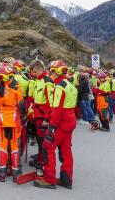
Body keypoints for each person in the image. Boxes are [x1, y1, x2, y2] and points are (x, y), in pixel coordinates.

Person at [34, 60, 77, 190]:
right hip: (70, 121)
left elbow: (57, 108)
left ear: (56, 72)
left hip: (60, 123)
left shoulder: (59, 86)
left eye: (52, 71)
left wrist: (51, 126)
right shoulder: (70, 85)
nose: (50, 74)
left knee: (48, 147)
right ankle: (66, 179)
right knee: (66, 151)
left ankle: (49, 179)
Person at [0, 63, 25, 183]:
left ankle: (2, 174)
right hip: (15, 121)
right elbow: (22, 105)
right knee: (15, 148)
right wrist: (23, 118)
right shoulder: (16, 88)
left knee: (3, 147)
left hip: (1, 121)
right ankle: (16, 174)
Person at [28, 59, 54, 170]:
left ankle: (43, 161)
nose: (32, 74)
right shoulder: (38, 80)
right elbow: (35, 98)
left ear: (40, 69)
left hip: (43, 115)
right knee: (38, 138)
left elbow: (50, 102)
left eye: (34, 72)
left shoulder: (47, 81)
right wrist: (31, 108)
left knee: (42, 139)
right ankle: (40, 156)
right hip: (37, 114)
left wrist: (47, 119)